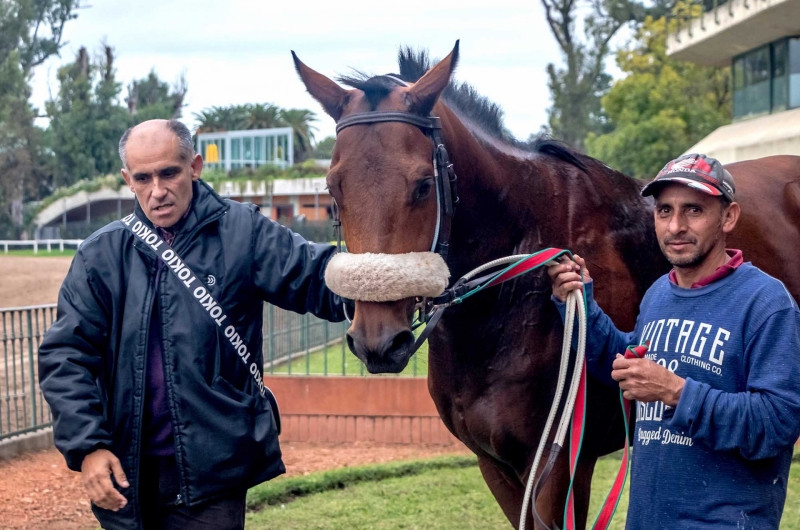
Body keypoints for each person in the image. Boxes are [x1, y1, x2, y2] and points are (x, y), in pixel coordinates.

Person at [38, 119, 346, 530]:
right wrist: (88, 446)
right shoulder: (101, 255)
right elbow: (66, 357)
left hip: (214, 472)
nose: (157, 191)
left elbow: (316, 278)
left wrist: (389, 277)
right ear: (128, 180)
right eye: (143, 178)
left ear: (195, 167)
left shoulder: (243, 231)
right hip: (126, 473)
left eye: (169, 173)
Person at [548, 153, 800, 529]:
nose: (675, 226)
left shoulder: (766, 302)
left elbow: (777, 424)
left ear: (728, 217)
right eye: (664, 211)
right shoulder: (658, 296)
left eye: (694, 210)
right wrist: (579, 303)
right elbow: (625, 363)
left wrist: (677, 392)